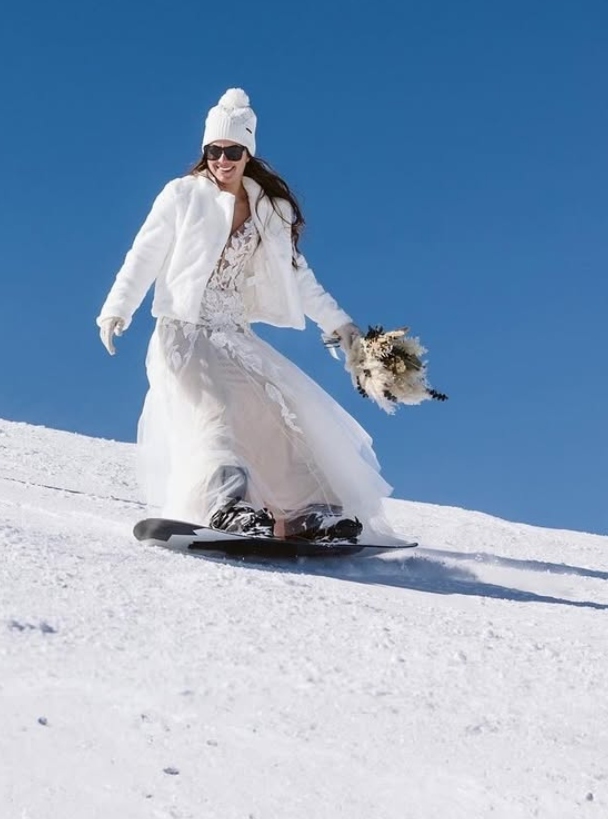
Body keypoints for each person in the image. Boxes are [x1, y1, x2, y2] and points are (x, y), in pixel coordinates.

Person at [96, 88, 395, 541]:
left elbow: (298, 277)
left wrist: (340, 324)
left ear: (248, 152)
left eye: (232, 150)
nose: (222, 159)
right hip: (184, 333)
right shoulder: (182, 196)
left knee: (276, 414)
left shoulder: (268, 210)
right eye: (213, 150)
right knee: (216, 414)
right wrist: (117, 308)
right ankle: (227, 506)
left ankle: (307, 512)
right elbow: (145, 254)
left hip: (234, 336)